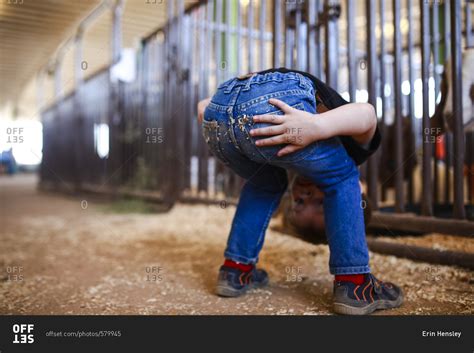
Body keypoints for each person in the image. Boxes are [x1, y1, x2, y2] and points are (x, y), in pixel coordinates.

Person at [197, 68, 403, 315]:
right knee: (343, 176)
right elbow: (367, 113)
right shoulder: (357, 151)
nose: (306, 195)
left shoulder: (290, 161)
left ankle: (235, 270)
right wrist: (317, 125)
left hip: (220, 110)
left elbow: (203, 108)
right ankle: (356, 285)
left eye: (299, 204)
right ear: (361, 192)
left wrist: (226, 107)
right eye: (320, 203)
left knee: (265, 184)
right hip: (254, 102)